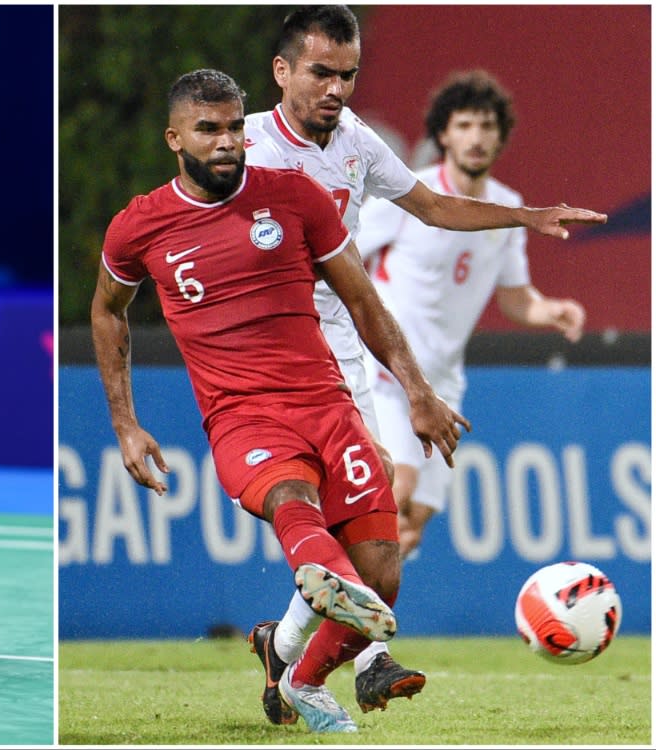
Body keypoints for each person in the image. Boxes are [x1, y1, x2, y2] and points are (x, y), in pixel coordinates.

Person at [241, 5, 607, 724]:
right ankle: (358, 661)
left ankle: (287, 650)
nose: (337, 89)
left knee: (382, 526)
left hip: (355, 352)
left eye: (348, 75)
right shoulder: (244, 143)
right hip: (284, 355)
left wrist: (528, 217)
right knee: (378, 502)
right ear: (282, 72)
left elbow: (437, 209)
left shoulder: (358, 145)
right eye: (322, 73)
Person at [91, 67, 471, 733]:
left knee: (382, 578)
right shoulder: (140, 226)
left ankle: (297, 674)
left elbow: (362, 301)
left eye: (236, 126)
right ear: (174, 137)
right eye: (209, 129)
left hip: (326, 405)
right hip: (243, 417)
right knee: (292, 501)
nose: (228, 142)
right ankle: (327, 584)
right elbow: (106, 312)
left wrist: (417, 390)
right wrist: (125, 423)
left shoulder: (295, 197)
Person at [358, 69, 586, 560]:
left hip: (444, 382)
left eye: (486, 126)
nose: (476, 138)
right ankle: (324, 607)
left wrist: (553, 310)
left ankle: (349, 615)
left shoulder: (508, 208)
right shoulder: (409, 193)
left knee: (413, 520)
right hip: (386, 368)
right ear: (443, 133)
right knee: (398, 488)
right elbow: (345, 259)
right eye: (464, 125)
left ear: (501, 136)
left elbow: (515, 297)